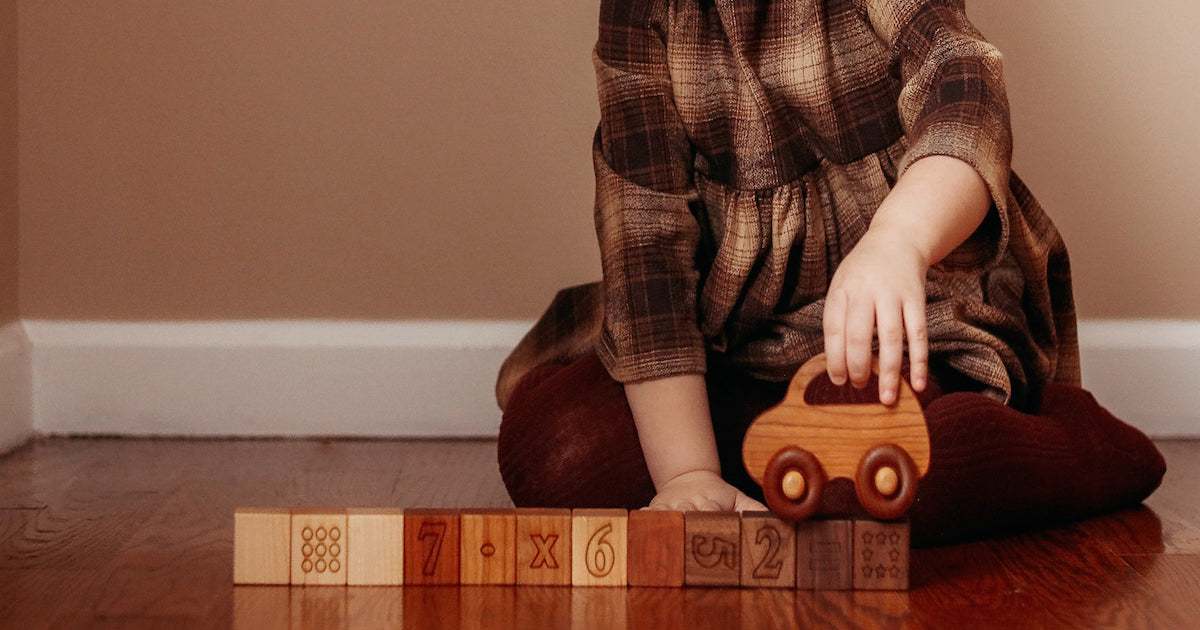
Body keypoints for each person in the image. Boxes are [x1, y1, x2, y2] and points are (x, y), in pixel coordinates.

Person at [494, 0, 1164, 545]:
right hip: (736, 344)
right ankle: (762, 459)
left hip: (896, 333)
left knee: (894, 478)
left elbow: (962, 89)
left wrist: (899, 238)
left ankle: (1065, 444)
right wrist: (687, 474)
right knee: (554, 452)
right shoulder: (641, 15)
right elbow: (644, 252)